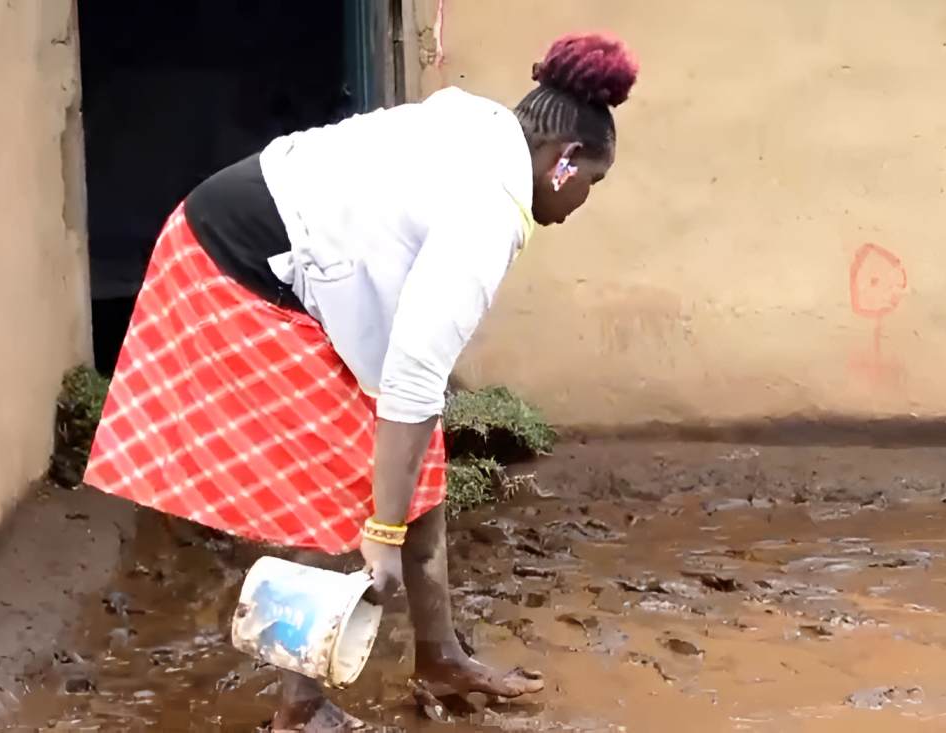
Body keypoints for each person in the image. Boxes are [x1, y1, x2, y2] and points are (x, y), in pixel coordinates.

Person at [82, 32, 639, 732]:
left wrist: (397, 500)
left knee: (416, 457)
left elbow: (412, 382)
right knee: (339, 485)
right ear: (566, 160)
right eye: (594, 179)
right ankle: (300, 707)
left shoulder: (484, 126)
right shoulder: (486, 209)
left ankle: (439, 657)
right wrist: (380, 529)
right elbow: (412, 371)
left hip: (290, 257)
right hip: (236, 260)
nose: (586, 196)